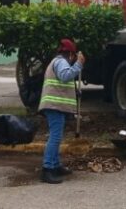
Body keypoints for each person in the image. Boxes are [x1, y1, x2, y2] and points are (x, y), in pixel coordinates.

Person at [38, 38, 85, 184]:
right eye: (74, 56)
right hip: (54, 106)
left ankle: (55, 165)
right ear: (71, 54)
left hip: (55, 106)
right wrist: (79, 64)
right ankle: (47, 169)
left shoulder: (57, 61)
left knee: (57, 136)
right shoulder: (61, 62)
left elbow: (62, 83)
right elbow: (65, 76)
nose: (73, 59)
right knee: (55, 137)